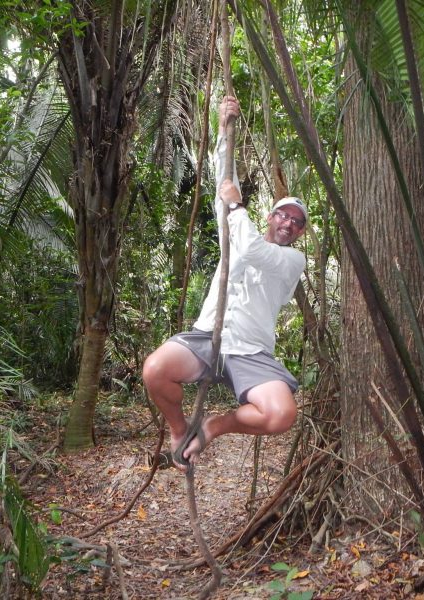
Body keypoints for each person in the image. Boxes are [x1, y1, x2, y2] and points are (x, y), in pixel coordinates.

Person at [142, 96, 308, 471]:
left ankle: (214, 426)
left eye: (297, 222)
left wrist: (235, 207)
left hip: (250, 349)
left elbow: (249, 247)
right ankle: (180, 430)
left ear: (299, 233)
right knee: (155, 371)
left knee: (281, 414)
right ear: (270, 216)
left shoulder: (291, 260)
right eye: (283, 215)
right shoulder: (235, 229)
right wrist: (222, 129)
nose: (288, 224)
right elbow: (223, 186)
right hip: (208, 337)